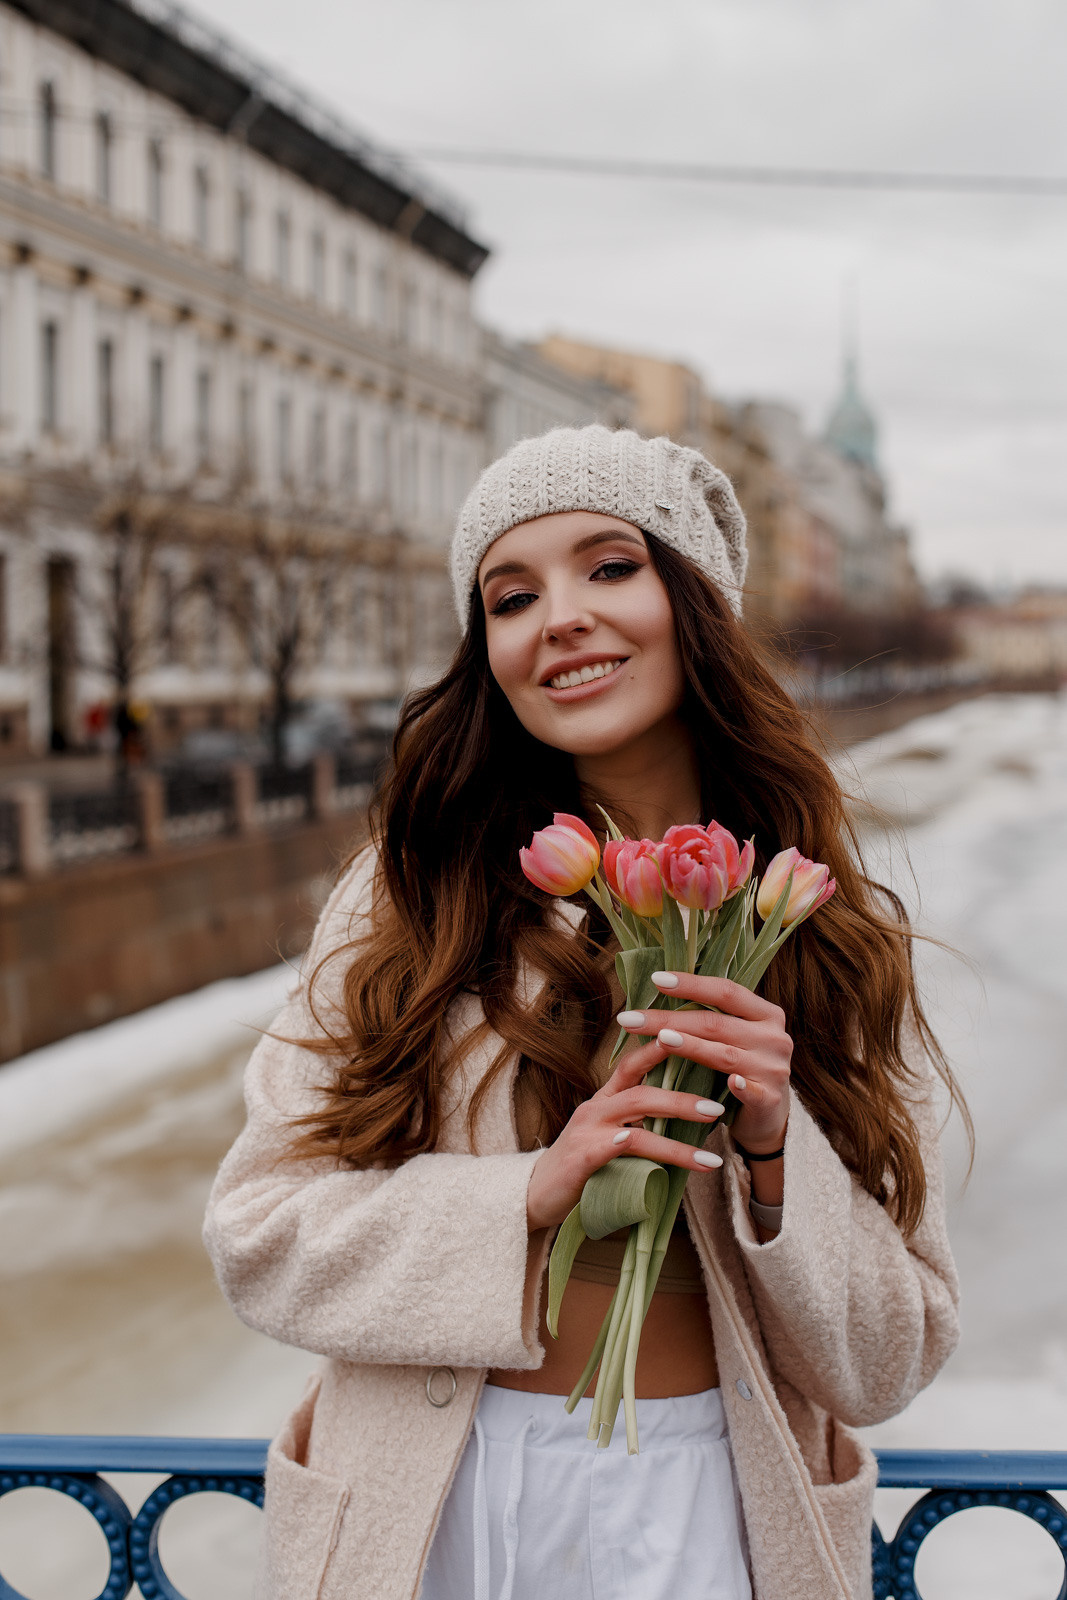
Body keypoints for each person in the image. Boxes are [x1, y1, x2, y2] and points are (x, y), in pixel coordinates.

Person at [204, 425, 964, 1600]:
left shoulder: (813, 914)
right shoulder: (412, 893)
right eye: (510, 596)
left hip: (719, 1509)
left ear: (697, 601)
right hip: (439, 1512)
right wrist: (529, 1194)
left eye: (610, 567)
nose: (557, 616)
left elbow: (891, 1353)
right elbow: (258, 1239)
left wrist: (772, 1150)